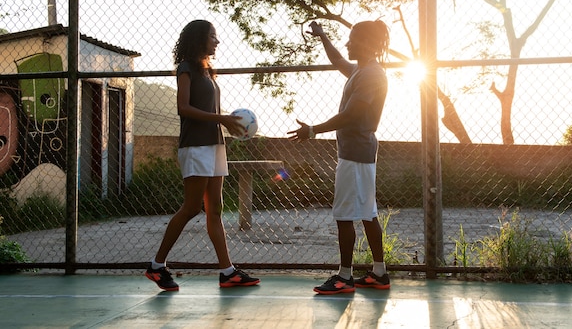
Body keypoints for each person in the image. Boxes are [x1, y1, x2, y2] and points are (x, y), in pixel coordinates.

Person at [145, 20, 260, 291]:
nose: (216, 41)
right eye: (212, 37)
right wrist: (222, 118)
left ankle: (227, 271)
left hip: (214, 145)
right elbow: (183, 108)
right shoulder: (186, 68)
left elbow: (211, 109)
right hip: (195, 146)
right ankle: (156, 265)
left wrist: (229, 122)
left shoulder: (209, 71)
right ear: (199, 39)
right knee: (192, 207)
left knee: (216, 210)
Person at [288, 20, 390, 294]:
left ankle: (345, 277)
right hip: (361, 151)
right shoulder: (363, 70)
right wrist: (322, 36)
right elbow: (338, 60)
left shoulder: (370, 75)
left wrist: (313, 130)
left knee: (345, 215)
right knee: (368, 213)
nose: (348, 43)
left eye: (353, 39)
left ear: (367, 43)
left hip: (355, 153)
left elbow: (353, 113)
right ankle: (379, 273)